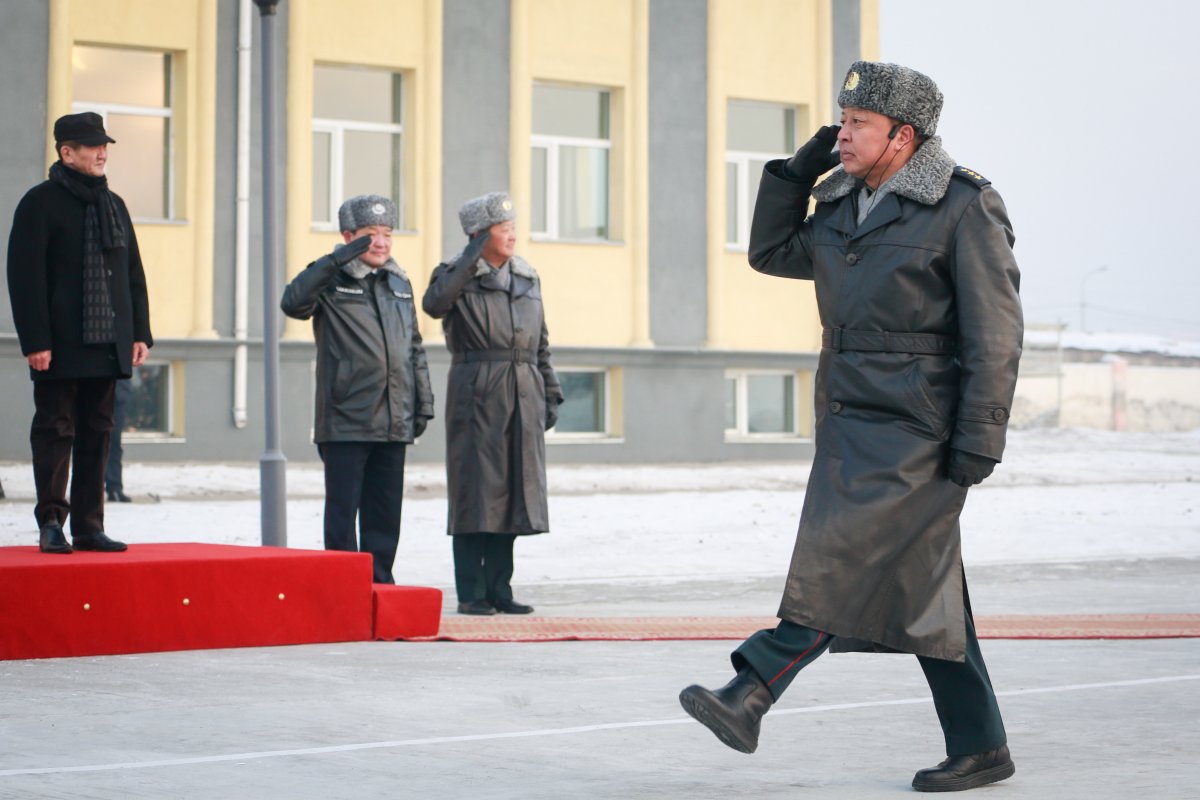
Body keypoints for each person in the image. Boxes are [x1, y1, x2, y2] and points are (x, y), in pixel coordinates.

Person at [678, 61, 1023, 793]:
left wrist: (980, 434)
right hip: (846, 416)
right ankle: (983, 745)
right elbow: (771, 254)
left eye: (859, 123)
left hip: (921, 427)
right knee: (924, 587)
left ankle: (752, 690)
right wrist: (793, 177)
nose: (843, 134)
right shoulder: (839, 203)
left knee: (841, 557)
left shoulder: (964, 206)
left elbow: (995, 336)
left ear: (905, 136)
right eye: (842, 120)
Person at [6, 111, 152, 555]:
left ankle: (90, 526)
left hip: (107, 342)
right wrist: (36, 340)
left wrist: (139, 332)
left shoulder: (114, 205)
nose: (102, 152)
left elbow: (132, 273)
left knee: (98, 432)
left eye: (104, 145)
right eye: (92, 146)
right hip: (59, 344)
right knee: (54, 431)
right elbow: (25, 278)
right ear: (67, 153)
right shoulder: (39, 203)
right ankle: (52, 522)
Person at [422, 192, 563, 616]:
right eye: (503, 229)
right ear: (479, 235)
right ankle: (472, 592)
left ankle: (501, 588)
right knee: (476, 493)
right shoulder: (455, 274)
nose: (513, 235)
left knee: (514, 491)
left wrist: (550, 391)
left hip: (523, 391)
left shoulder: (527, 277)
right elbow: (434, 304)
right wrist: (469, 259)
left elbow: (540, 344)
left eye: (513, 227)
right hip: (477, 394)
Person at [281, 195, 433, 585]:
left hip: (394, 418)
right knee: (343, 514)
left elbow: (413, 347)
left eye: (387, 234)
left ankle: (381, 586)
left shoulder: (398, 282)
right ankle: (344, 589)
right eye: (370, 234)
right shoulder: (331, 279)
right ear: (349, 237)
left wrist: (422, 403)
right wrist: (336, 260)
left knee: (385, 515)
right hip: (346, 418)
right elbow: (293, 303)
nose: (381, 242)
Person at [105, 377, 133, 502]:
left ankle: (114, 487)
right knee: (91, 443)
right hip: (94, 388)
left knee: (115, 443)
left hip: (119, 393)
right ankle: (91, 487)